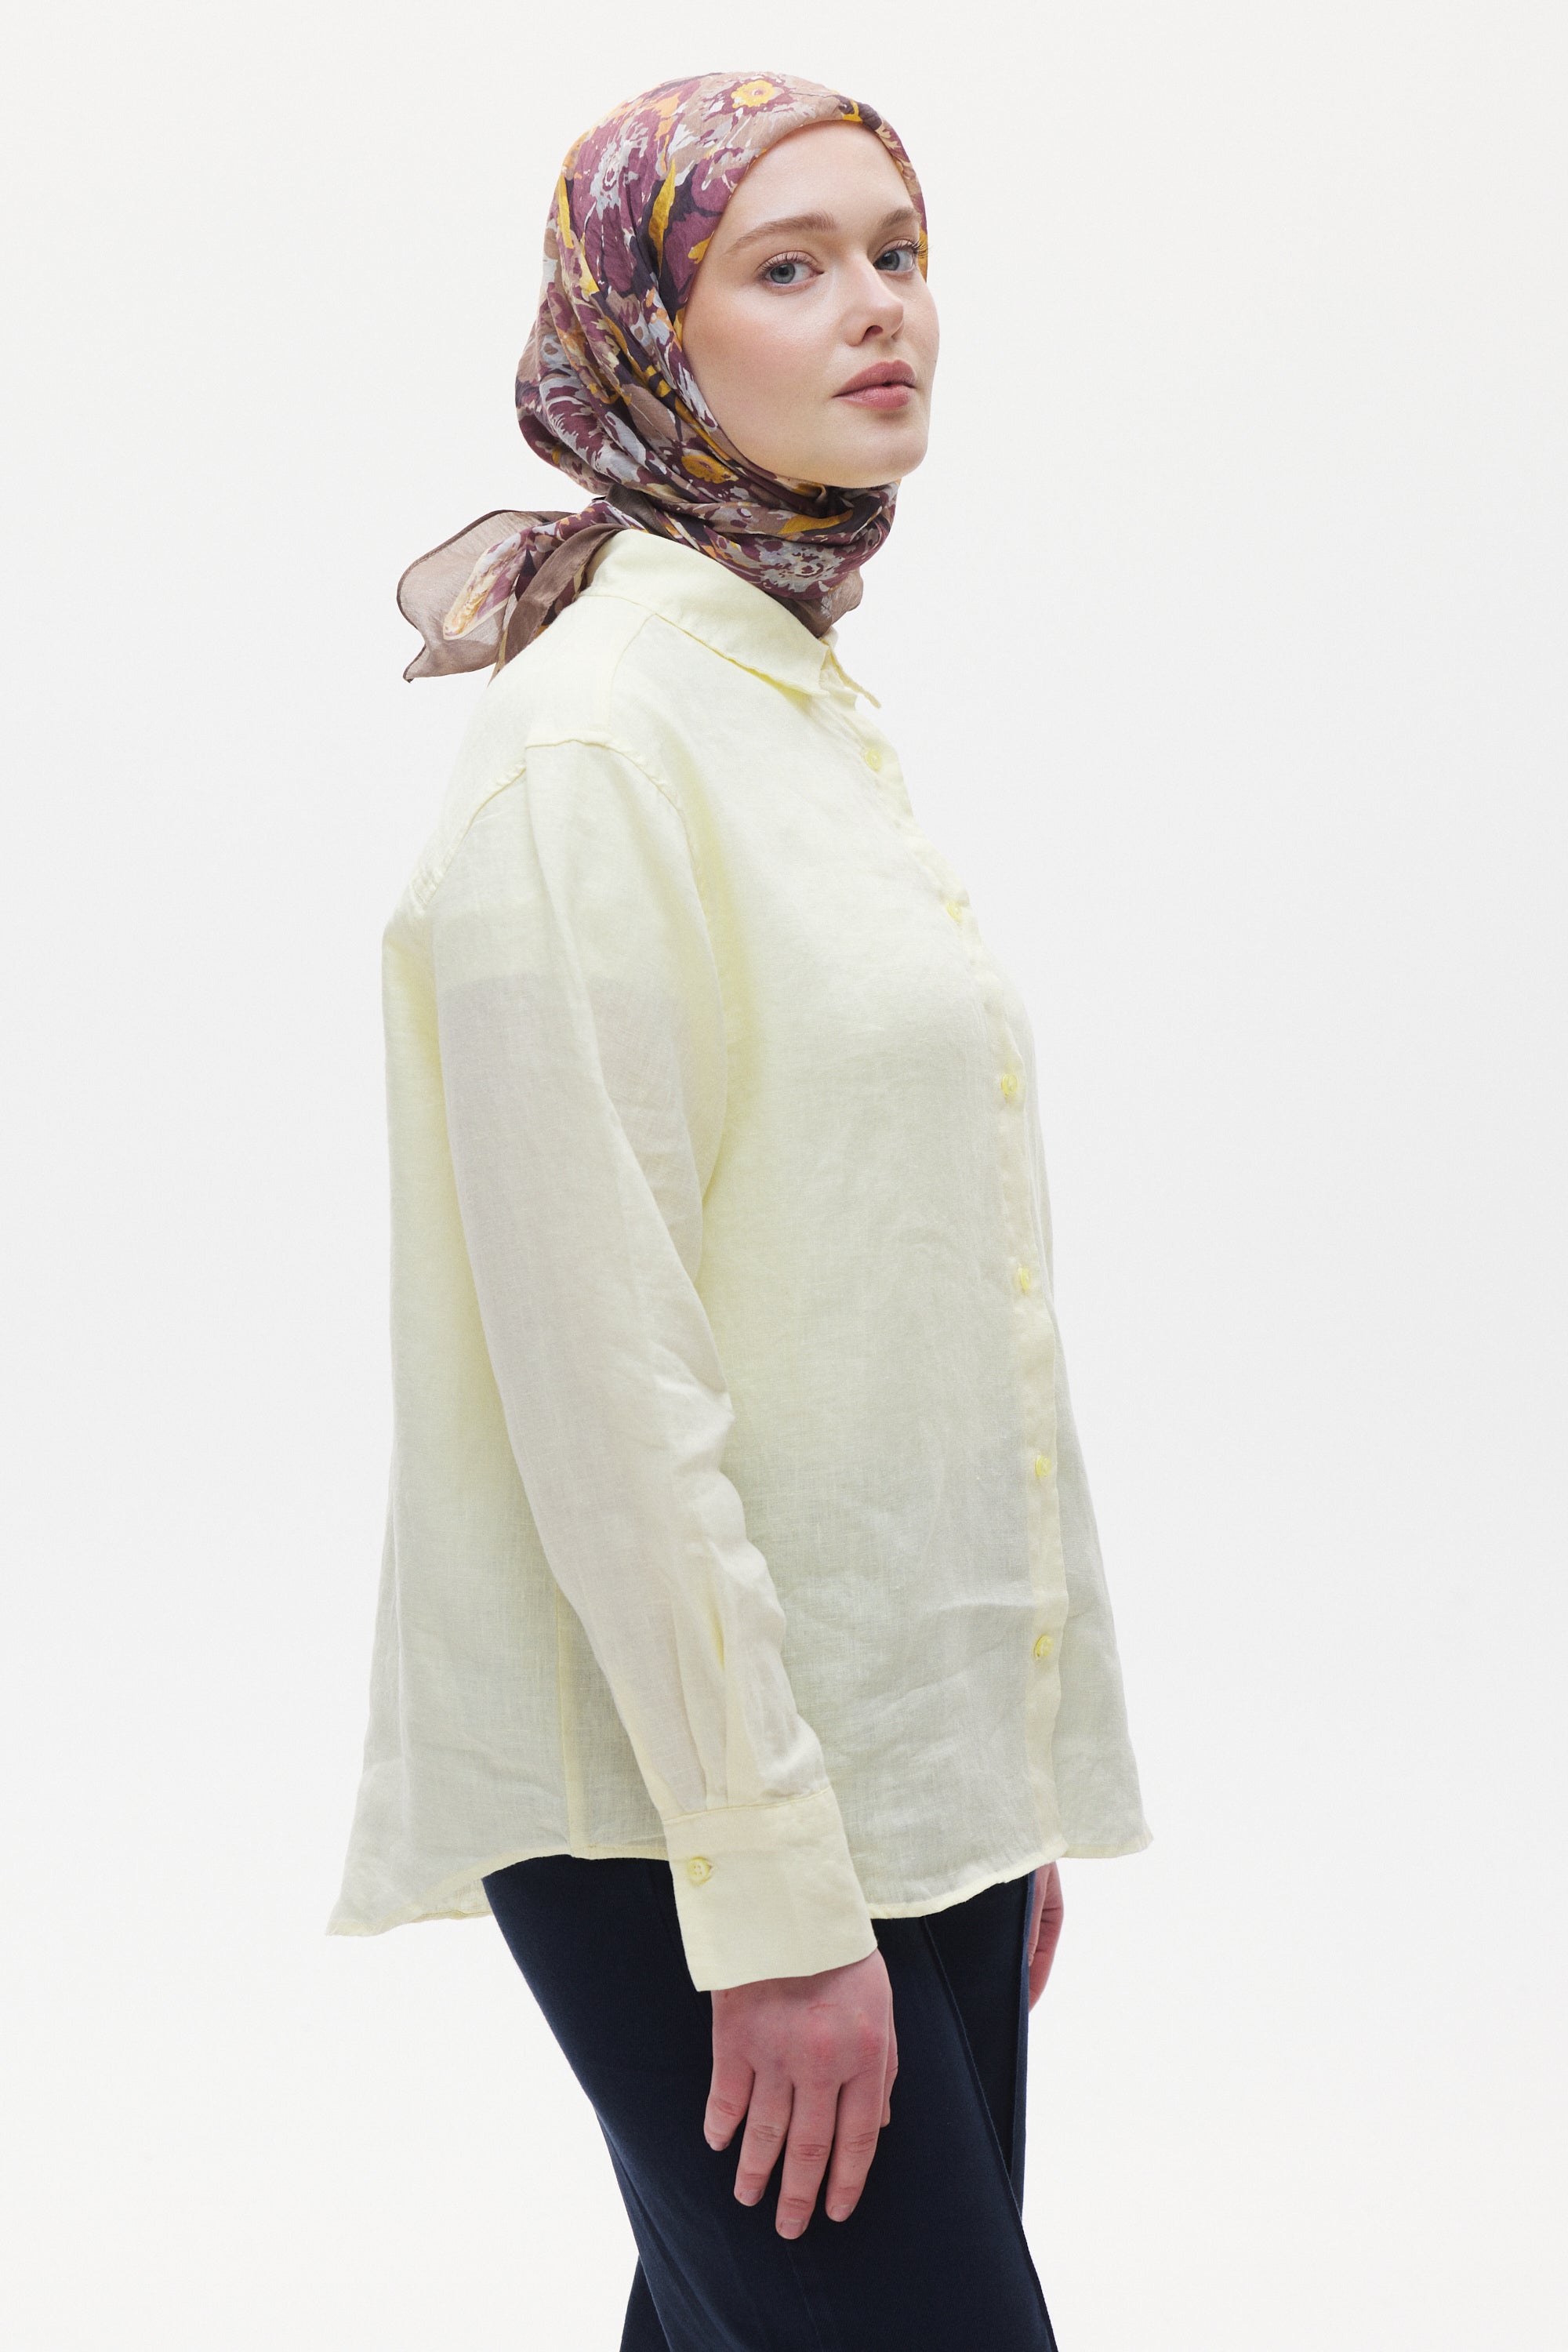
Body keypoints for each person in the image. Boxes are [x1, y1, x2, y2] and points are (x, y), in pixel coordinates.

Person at [330, 69, 1150, 2350]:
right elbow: (605, 1381)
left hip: (881, 1784)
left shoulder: (785, 706)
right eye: (789, 268)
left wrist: (978, 1793)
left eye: (897, 250)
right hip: (693, 1826)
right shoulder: (597, 747)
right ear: (645, 339)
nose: (880, 307)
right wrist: (778, 1896)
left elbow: (882, 1306)